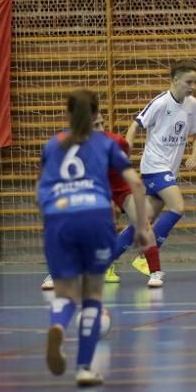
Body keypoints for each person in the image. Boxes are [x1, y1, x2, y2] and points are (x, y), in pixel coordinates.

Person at [37, 90, 152, 386]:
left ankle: (58, 327)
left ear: (68, 114)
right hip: (95, 216)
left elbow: (40, 191)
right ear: (96, 113)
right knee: (92, 296)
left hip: (59, 217)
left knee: (64, 294)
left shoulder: (53, 144)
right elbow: (136, 184)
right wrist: (141, 228)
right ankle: (85, 368)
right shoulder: (107, 143)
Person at [117, 59, 196, 288]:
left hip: (169, 169)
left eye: (195, 82)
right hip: (154, 166)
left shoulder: (192, 104)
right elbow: (136, 125)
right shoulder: (160, 103)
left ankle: (105, 262)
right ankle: (146, 258)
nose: (192, 86)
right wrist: (126, 153)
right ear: (175, 80)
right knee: (178, 207)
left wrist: (194, 155)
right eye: (188, 82)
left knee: (142, 222)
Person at [41, 112, 139, 290]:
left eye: (103, 124)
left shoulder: (111, 143)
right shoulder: (66, 146)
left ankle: (104, 269)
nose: (101, 129)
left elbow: (127, 169)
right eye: (96, 125)